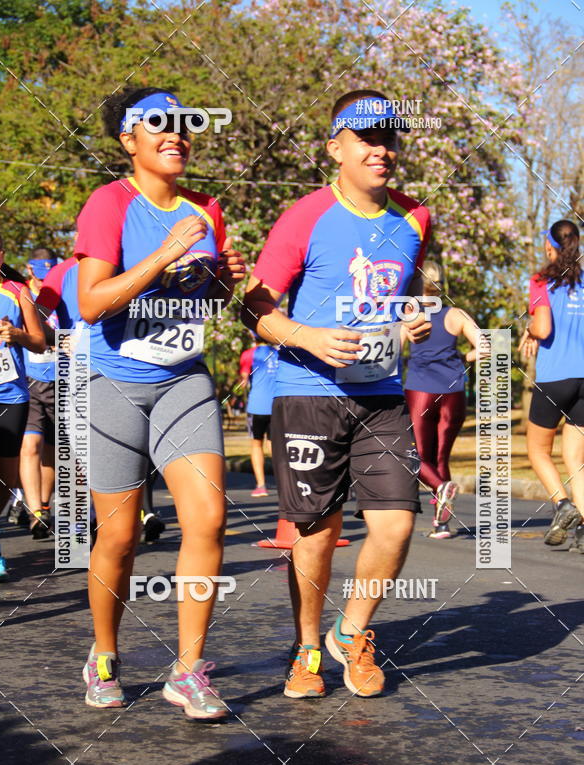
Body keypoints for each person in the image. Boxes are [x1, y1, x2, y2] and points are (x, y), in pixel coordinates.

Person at [243, 89, 431, 699]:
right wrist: (311, 338)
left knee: (397, 525)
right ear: (336, 148)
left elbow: (399, 297)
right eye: (367, 138)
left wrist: (411, 322)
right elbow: (254, 305)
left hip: (381, 395)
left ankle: (351, 635)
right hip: (307, 391)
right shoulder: (305, 216)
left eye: (389, 138)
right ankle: (305, 647)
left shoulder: (414, 218)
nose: (381, 149)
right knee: (316, 532)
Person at [75, 87, 245, 717]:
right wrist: (169, 251)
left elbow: (203, 304)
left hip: (184, 380)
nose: (175, 135)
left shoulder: (208, 208)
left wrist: (222, 277)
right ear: (129, 140)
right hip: (114, 381)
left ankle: (188, 669)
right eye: (158, 125)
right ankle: (104, 654)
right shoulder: (108, 204)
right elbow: (92, 303)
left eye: (182, 126)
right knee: (119, 536)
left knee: (207, 517)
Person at [404, 260, 486, 538]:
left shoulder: (409, 313)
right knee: (441, 456)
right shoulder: (456, 315)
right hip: (454, 393)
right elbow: (486, 346)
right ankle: (442, 523)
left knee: (413, 456)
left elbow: (393, 349)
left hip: (421, 391)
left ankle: (440, 489)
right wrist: (462, 358)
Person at [0, 227, 45, 581]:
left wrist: (17, 335)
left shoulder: (17, 292)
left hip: (12, 397)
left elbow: (39, 342)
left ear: (3, 254)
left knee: (6, 483)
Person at [520, 220, 584, 551]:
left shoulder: (542, 281)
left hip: (555, 378)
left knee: (538, 450)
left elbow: (543, 328)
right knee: (576, 458)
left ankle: (563, 506)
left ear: (550, 246)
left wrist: (530, 329)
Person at [19, 248, 59, 539]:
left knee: (53, 451)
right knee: (30, 445)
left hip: (60, 381)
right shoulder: (21, 296)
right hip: (28, 381)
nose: (45, 280)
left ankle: (44, 506)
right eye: (40, 274)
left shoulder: (61, 294)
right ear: (30, 270)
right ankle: (35, 512)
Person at [239, 336, 279, 496]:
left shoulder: (249, 354)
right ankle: (284, 484)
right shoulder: (278, 354)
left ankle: (261, 486)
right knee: (274, 445)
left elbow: (243, 379)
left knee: (256, 444)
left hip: (256, 406)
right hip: (275, 405)